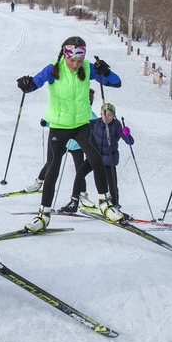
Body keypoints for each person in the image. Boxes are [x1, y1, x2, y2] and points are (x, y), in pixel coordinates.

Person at [17, 36, 123, 232]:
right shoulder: (53, 69)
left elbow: (116, 83)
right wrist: (25, 83)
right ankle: (43, 215)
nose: (75, 64)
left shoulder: (88, 68)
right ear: (64, 55)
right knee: (52, 169)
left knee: (96, 160)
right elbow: (34, 84)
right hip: (59, 125)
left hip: (82, 124)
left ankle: (105, 204)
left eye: (79, 61)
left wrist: (106, 71)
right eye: (72, 60)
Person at [26, 88, 97, 214]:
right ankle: (38, 183)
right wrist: (46, 123)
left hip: (77, 145)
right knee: (51, 163)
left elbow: (97, 125)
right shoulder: (71, 109)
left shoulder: (90, 115)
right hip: (64, 141)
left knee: (80, 170)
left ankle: (82, 195)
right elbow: (59, 119)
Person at [61, 102, 133, 216]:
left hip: (109, 161)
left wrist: (127, 135)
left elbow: (130, 142)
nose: (107, 117)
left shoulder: (116, 126)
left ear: (113, 115)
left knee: (112, 183)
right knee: (79, 174)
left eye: (110, 115)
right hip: (95, 157)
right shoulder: (95, 123)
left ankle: (114, 205)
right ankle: (74, 201)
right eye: (105, 114)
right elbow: (79, 127)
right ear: (101, 114)